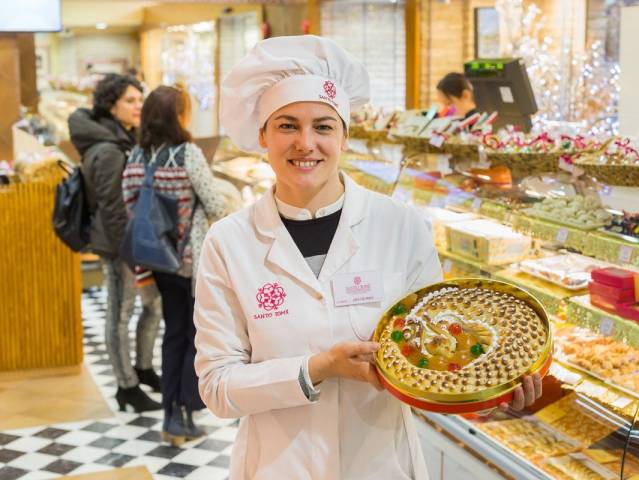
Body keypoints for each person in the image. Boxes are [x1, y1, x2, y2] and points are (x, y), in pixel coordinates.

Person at [193, 35, 542, 480]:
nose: (306, 143)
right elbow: (217, 387)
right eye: (287, 126)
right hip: (276, 467)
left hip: (382, 465)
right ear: (263, 134)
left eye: (323, 126)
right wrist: (317, 368)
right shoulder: (229, 242)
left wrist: (490, 395)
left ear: (344, 134)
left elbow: (438, 358)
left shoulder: (401, 227)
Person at [122, 85, 226, 444]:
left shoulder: (136, 155)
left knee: (173, 334)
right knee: (191, 337)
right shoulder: (187, 154)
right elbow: (215, 204)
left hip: (156, 260)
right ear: (177, 116)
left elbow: (130, 205)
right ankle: (183, 413)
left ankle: (170, 414)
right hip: (188, 261)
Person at [69, 74, 163, 413]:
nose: (139, 106)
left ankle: (143, 368)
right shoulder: (109, 149)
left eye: (140, 99)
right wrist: (134, 250)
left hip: (136, 241)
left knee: (152, 307)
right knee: (119, 313)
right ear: (112, 106)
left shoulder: (122, 137)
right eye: (130, 101)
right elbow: (113, 207)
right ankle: (126, 386)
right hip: (120, 245)